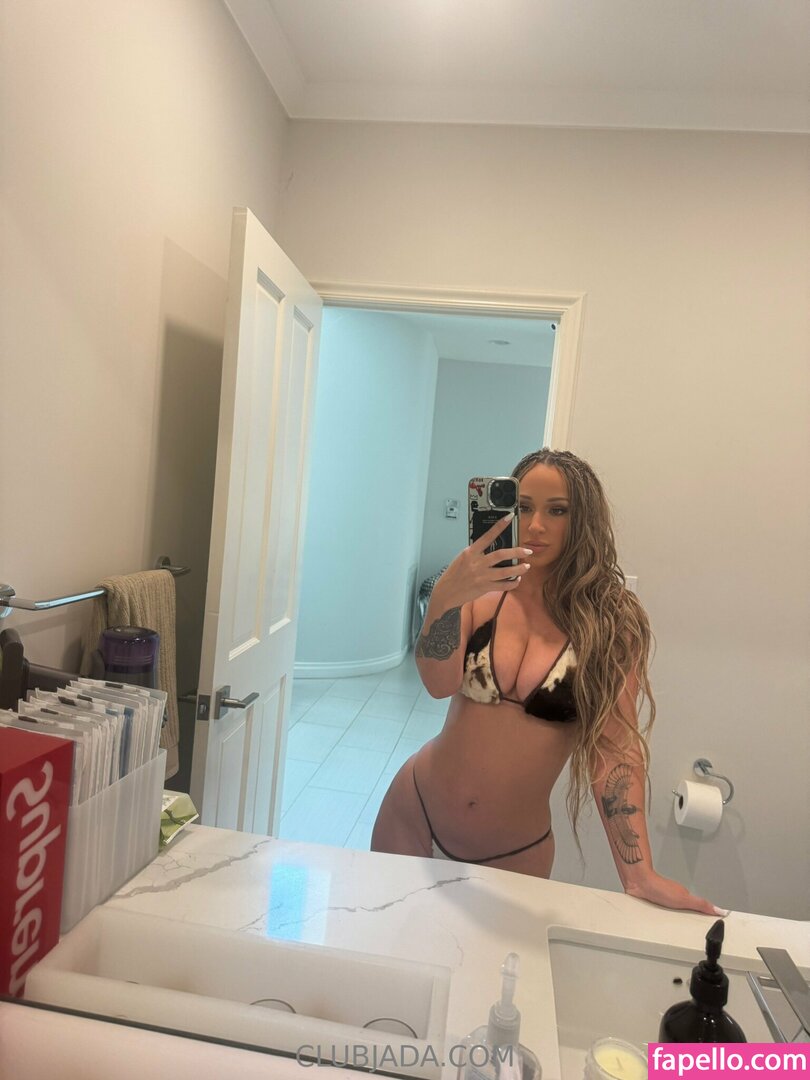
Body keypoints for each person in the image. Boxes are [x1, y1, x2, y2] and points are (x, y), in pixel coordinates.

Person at [372, 448, 725, 915]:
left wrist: (638, 873)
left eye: (557, 510)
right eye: (523, 507)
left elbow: (615, 749)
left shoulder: (609, 622)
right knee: (386, 950)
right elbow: (438, 683)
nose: (536, 525)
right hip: (413, 814)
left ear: (583, 520)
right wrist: (446, 597)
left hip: (513, 855)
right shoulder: (480, 590)